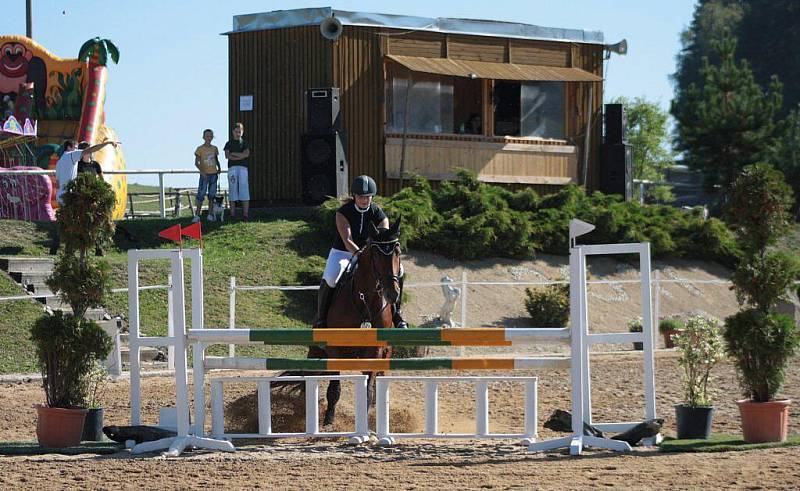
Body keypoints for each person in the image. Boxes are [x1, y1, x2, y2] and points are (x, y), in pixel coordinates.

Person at [314, 175, 408, 329]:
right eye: (361, 197)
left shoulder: (378, 213)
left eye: (368, 197)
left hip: (371, 253)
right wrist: (360, 255)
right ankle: (321, 319)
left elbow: (383, 237)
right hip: (343, 252)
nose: (365, 200)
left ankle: (397, 314)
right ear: (354, 196)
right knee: (331, 276)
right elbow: (347, 240)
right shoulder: (343, 212)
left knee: (400, 270)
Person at [50, 139, 117, 254]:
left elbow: (58, 182)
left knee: (66, 222)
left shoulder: (59, 162)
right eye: (76, 147)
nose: (78, 150)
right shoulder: (71, 156)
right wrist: (107, 143)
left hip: (61, 195)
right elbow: (90, 150)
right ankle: (74, 250)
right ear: (69, 148)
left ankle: (56, 249)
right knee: (80, 221)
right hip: (69, 195)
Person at [223, 122, 250, 220]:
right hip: (232, 169)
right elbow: (227, 155)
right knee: (233, 189)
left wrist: (234, 154)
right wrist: (240, 155)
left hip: (243, 168)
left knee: (244, 189)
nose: (238, 133)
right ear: (232, 132)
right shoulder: (229, 143)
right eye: (236, 131)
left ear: (242, 132)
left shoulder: (244, 143)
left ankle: (245, 214)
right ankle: (232, 214)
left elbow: (246, 154)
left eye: (240, 131)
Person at [193, 129, 221, 222]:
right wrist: (202, 171)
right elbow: (197, 162)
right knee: (201, 194)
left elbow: (216, 159)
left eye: (210, 136)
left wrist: (219, 167)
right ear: (203, 137)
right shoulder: (200, 149)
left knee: (212, 195)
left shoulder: (214, 148)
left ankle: (210, 214)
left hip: (213, 173)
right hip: (204, 174)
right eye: (207, 136)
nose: (209, 138)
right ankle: (197, 215)